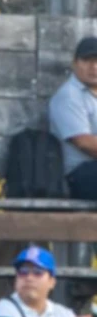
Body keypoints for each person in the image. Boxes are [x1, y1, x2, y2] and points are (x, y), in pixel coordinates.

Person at [49, 36, 97, 200]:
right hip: (80, 174)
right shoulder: (69, 96)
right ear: (75, 63)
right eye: (87, 60)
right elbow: (85, 143)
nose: (94, 67)